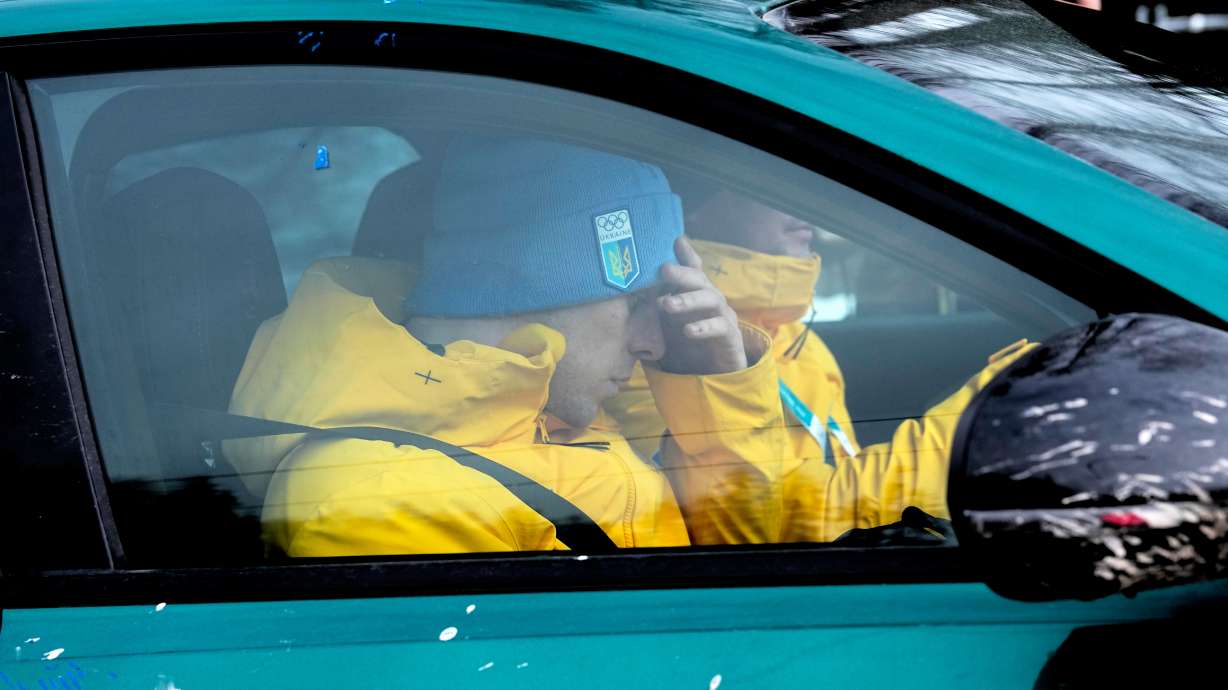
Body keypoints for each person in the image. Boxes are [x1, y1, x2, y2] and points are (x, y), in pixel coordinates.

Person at [224, 138, 791, 556]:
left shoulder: (546, 410)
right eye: (638, 304)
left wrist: (716, 394)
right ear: (527, 284)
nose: (652, 346)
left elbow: (766, 572)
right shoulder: (377, 500)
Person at [603, 187, 1033, 542]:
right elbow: (785, 530)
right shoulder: (668, 352)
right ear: (693, 205)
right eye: (766, 181)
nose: (801, 202)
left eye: (790, 179)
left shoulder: (801, 341)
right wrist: (1011, 404)